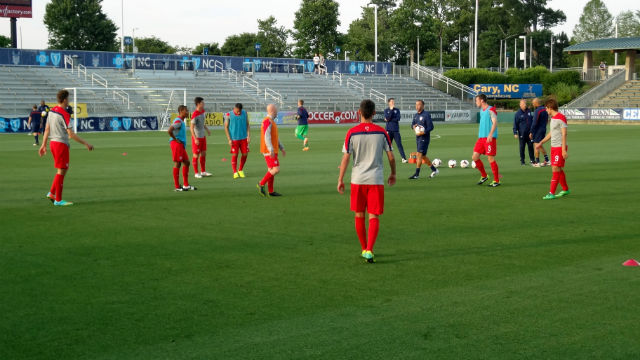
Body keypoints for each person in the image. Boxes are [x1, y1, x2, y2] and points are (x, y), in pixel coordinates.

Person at [338, 99, 396, 263]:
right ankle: (370, 249)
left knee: (359, 214)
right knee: (374, 216)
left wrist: (340, 179)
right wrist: (393, 174)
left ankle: (364, 247)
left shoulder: (352, 132)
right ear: (374, 113)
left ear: (359, 112)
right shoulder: (381, 132)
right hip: (375, 179)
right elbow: (391, 157)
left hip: (358, 179)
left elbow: (345, 158)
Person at [38, 89, 94, 206]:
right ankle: (58, 200)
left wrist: (43, 144)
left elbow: (47, 129)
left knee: (62, 169)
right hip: (60, 144)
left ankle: (52, 193)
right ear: (64, 100)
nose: (69, 101)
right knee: (62, 170)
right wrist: (86, 143)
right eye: (68, 99)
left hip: (53, 143)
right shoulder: (64, 114)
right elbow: (71, 134)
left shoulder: (52, 111)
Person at [537, 98, 570, 200]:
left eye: (546, 108)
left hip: (560, 147)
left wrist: (563, 150)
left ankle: (551, 193)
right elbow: (551, 133)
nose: (546, 110)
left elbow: (564, 134)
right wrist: (541, 142)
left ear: (550, 108)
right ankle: (565, 189)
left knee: (555, 169)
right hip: (554, 147)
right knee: (557, 169)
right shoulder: (553, 119)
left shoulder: (561, 118)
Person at [472, 94, 501, 187]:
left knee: (490, 158)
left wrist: (490, 134)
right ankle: (484, 176)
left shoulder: (491, 109)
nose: (476, 102)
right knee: (475, 157)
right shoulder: (481, 111)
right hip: (481, 138)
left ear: (482, 101)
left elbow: (495, 122)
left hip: (489, 138)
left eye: (476, 100)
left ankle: (496, 180)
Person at [257, 104, 286, 197]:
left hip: (272, 149)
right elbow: (267, 136)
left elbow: (274, 137)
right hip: (269, 150)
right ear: (273, 110)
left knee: (271, 170)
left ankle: (271, 191)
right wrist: (270, 149)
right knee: (276, 169)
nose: (277, 112)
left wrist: (281, 147)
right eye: (276, 110)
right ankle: (261, 183)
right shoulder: (267, 121)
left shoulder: (271, 122)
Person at [168, 105, 196, 192]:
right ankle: (177, 186)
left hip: (180, 145)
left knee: (187, 163)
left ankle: (186, 185)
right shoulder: (178, 121)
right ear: (181, 111)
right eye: (186, 110)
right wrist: (175, 139)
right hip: (177, 144)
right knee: (178, 163)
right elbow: (169, 130)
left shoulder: (181, 121)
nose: (188, 112)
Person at [409, 100, 439, 179]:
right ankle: (434, 170)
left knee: (419, 155)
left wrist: (423, 132)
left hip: (424, 138)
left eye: (419, 105)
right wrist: (414, 127)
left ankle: (417, 174)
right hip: (418, 138)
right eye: (416, 105)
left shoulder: (426, 115)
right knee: (423, 156)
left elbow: (431, 127)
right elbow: (412, 125)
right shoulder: (415, 115)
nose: (417, 106)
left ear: (423, 106)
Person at [224, 103, 250, 179]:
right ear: (234, 108)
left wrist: (248, 135)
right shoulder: (229, 114)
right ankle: (235, 171)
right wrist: (229, 139)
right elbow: (226, 127)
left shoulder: (245, 113)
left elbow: (248, 124)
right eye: (237, 111)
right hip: (234, 139)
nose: (239, 113)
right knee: (235, 154)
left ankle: (240, 170)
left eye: (240, 111)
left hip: (244, 138)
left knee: (245, 154)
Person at [190, 97, 212, 179]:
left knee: (203, 153)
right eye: (202, 102)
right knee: (196, 155)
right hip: (197, 137)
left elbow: (202, 123)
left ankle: (203, 171)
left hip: (203, 136)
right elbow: (191, 128)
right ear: (198, 104)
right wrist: (195, 138)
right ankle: (196, 173)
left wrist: (207, 129)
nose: (204, 104)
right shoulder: (195, 114)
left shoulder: (202, 111)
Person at [383, 98, 407, 163]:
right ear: (389, 103)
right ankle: (390, 158)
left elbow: (398, 119)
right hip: (388, 130)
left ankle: (404, 158)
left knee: (399, 144)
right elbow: (387, 117)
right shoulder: (386, 110)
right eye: (392, 101)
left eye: (394, 101)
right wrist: (391, 110)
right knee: (388, 146)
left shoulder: (397, 110)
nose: (393, 102)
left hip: (396, 130)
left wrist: (389, 119)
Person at [513, 99, 535, 165]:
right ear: (520, 105)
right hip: (522, 134)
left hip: (530, 133)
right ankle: (522, 161)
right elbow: (515, 124)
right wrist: (515, 133)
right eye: (523, 104)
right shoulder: (517, 114)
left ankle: (532, 160)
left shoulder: (529, 111)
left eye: (525, 104)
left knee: (531, 147)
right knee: (522, 147)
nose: (525, 105)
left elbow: (532, 120)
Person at [530, 98, 550, 167]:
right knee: (539, 145)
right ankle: (547, 160)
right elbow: (547, 120)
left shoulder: (537, 110)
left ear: (536, 103)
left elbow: (534, 122)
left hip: (538, 130)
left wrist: (531, 132)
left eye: (533, 103)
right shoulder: (545, 109)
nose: (532, 104)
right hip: (543, 129)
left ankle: (537, 162)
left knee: (536, 145)